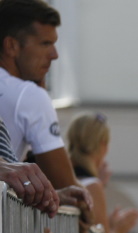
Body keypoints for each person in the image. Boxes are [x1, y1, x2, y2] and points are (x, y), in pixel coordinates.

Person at [0, 0, 79, 189]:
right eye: (45, 43)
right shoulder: (29, 95)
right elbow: (66, 186)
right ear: (11, 46)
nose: (54, 54)